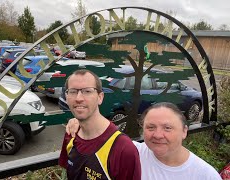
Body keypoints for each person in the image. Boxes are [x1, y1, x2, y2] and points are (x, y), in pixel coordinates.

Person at [66, 102, 222, 180]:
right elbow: (100, 131)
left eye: (167, 128)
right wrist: (79, 122)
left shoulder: (204, 175)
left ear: (184, 132)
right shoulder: (131, 151)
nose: (158, 135)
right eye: (151, 127)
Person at [59, 69, 141, 180]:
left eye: (87, 91)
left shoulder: (123, 149)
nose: (78, 98)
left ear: (100, 97)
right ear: (67, 97)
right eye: (73, 91)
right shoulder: (71, 133)